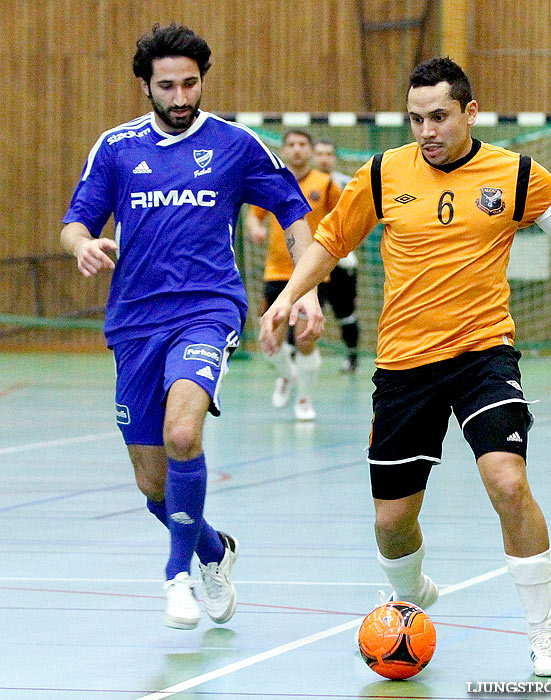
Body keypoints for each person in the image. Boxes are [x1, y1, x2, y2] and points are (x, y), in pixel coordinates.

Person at [260, 57, 551, 676]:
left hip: (483, 355)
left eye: (439, 117)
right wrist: (287, 298)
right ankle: (411, 594)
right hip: (404, 364)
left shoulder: (517, 175)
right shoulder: (384, 175)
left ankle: (543, 631)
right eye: (415, 119)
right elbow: (330, 243)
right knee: (392, 521)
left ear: (470, 112)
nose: (427, 131)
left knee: (508, 482)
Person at [60, 23, 321, 630]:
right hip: (133, 323)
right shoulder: (117, 148)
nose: (181, 98)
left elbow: (294, 211)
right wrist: (83, 246)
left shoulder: (235, 144)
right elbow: (74, 222)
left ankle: (177, 577)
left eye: (191, 84)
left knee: (184, 436)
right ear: (146, 87)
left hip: (207, 310)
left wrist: (300, 290)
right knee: (155, 485)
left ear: (203, 80)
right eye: (167, 86)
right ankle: (213, 549)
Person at [246, 130, 341, 420]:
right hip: (276, 272)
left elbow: (342, 218)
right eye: (291, 144)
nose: (297, 150)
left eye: (302, 144)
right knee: (271, 342)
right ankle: (287, 375)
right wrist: (254, 228)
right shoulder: (273, 183)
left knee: (304, 338)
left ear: (311, 151)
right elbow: (253, 214)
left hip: (311, 275)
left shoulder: (325, 184)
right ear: (284, 150)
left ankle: (303, 399)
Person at [314, 140, 361, 372]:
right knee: (308, 308)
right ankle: (300, 357)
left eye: (328, 154)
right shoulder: (303, 183)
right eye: (320, 153)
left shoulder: (346, 184)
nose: (324, 158)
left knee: (345, 311)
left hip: (341, 260)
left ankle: (352, 357)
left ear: (334, 158)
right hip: (314, 257)